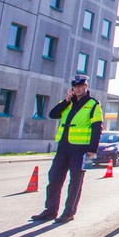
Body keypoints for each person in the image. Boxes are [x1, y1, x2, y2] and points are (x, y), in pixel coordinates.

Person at [31, 74, 104, 223]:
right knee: (54, 178)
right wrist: (65, 101)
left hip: (81, 149)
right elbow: (53, 114)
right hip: (63, 147)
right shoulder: (68, 103)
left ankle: (69, 212)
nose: (77, 89)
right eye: (74, 87)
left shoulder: (93, 104)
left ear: (85, 87)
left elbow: (97, 128)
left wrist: (93, 149)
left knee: (75, 181)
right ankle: (50, 211)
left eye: (79, 87)